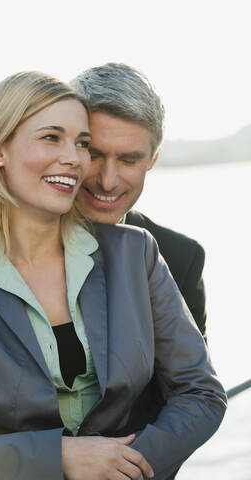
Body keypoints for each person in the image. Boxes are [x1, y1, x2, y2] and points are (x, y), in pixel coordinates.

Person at [0, 71, 226, 480]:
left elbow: (198, 392)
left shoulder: (138, 251)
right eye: (53, 137)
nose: (75, 159)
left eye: (80, 143)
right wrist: (61, 458)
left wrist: (125, 468)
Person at [71, 62, 208, 478]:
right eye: (94, 153)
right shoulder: (6, 249)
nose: (108, 180)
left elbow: (183, 400)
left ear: (153, 159)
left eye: (129, 159)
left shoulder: (180, 257)